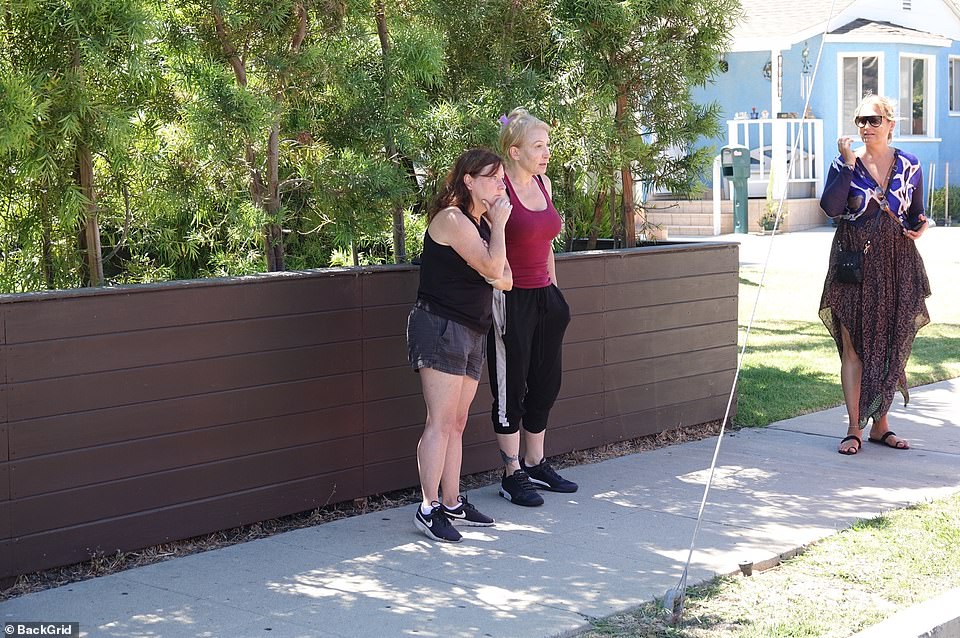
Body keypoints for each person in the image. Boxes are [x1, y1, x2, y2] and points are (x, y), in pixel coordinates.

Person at [407, 148, 513, 543]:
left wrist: (494, 252)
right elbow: (491, 269)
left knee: (457, 421)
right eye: (493, 178)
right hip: (440, 325)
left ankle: (451, 502)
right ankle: (427, 507)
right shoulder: (453, 219)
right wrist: (498, 231)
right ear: (469, 180)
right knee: (439, 420)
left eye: (502, 178)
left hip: (471, 328)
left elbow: (507, 279)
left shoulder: (482, 225)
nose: (501, 185)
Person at [818, 94, 931, 456]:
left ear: (890, 123)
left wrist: (920, 226)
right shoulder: (844, 164)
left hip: (897, 262)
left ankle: (881, 425)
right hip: (853, 261)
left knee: (889, 346)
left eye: (873, 120)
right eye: (860, 121)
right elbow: (831, 208)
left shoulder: (911, 165)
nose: (866, 127)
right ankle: (854, 428)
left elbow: (916, 212)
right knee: (853, 347)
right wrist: (848, 165)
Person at [487, 108, 575, 507]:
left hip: (545, 297)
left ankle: (535, 462)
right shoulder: (496, 190)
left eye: (548, 146)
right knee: (511, 391)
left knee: (546, 383)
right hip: (509, 298)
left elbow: (547, 244)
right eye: (538, 146)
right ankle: (511, 473)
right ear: (515, 150)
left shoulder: (544, 184)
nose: (546, 153)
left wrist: (554, 293)